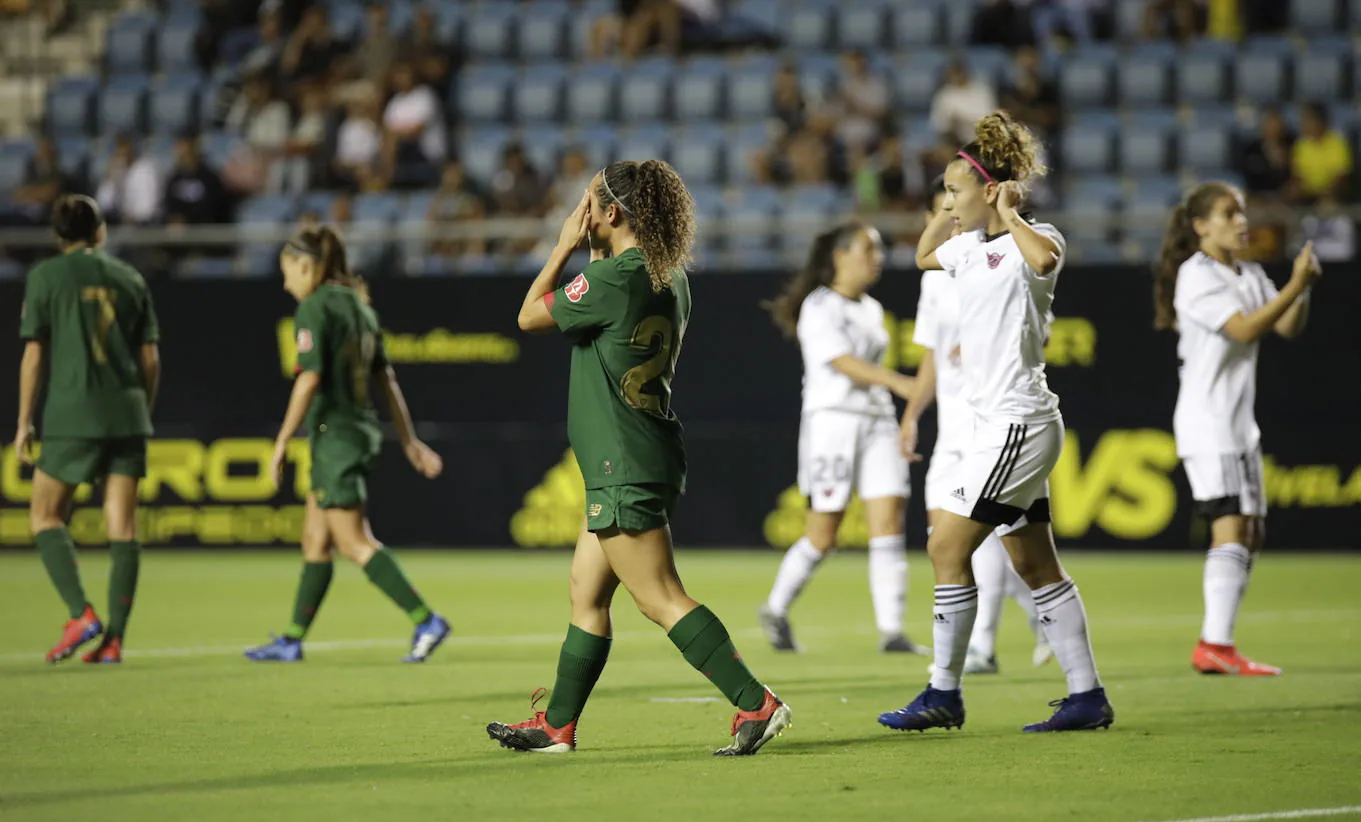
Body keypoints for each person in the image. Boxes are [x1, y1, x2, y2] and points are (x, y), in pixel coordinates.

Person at [488, 160, 791, 756]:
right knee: (587, 593)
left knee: (659, 596)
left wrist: (561, 248)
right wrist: (597, 247)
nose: (581, 216)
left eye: (588, 207)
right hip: (638, 450)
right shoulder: (665, 276)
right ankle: (557, 726)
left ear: (612, 213)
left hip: (620, 461)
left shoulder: (609, 280)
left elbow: (528, 315)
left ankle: (756, 702)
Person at [879, 111, 1113, 734]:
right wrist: (954, 207)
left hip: (1018, 424)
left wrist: (1007, 211)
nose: (947, 202)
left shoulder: (1029, 239)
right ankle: (1086, 695)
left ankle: (943, 693)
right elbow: (924, 253)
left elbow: (1044, 259)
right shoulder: (966, 251)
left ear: (991, 191)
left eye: (955, 190)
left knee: (944, 546)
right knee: (1035, 565)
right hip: (996, 428)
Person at [244, 226, 451, 664]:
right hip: (354, 433)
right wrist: (410, 441)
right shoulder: (360, 307)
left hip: (335, 437)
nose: (285, 283)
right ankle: (292, 639)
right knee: (315, 541)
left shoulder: (315, 307)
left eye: (288, 272)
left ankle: (425, 618)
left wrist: (281, 440)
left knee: (354, 542)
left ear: (306, 265)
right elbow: (386, 380)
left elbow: (310, 377)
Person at [1154, 183, 1320, 676]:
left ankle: (1220, 643)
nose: (1242, 221)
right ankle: (1214, 645)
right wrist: (1294, 284)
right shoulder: (1196, 274)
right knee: (1230, 526)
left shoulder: (1247, 272)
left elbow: (1288, 325)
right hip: (1209, 421)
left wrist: (1302, 287)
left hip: (1236, 423)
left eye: (1243, 211)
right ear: (1201, 226)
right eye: (1229, 213)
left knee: (1251, 530)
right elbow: (1245, 329)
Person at [755, 222, 924, 654]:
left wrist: (901, 416)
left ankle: (892, 631)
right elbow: (841, 362)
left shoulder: (870, 307)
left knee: (888, 524)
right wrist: (897, 382)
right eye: (870, 248)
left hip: (877, 422)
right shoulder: (820, 306)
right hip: (833, 422)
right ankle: (775, 607)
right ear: (840, 256)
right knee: (823, 534)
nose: (878, 258)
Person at [902, 181, 1049, 674]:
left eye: (952, 195)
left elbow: (1031, 322)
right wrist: (912, 414)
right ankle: (1039, 619)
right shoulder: (944, 268)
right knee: (952, 537)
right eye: (940, 199)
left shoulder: (1008, 256)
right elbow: (932, 357)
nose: (947, 207)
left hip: (992, 421)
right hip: (952, 424)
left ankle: (980, 648)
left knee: (970, 537)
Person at [13, 195, 160, 665]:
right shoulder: (130, 278)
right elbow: (150, 359)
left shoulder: (45, 277)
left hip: (73, 414)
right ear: (100, 232)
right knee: (124, 526)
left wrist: (23, 421)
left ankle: (81, 614)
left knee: (45, 515)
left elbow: (34, 353)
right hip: (128, 414)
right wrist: (141, 410)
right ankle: (114, 641)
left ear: (59, 237)